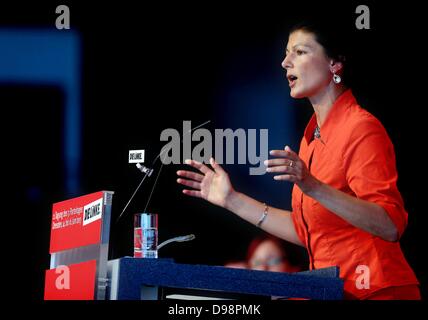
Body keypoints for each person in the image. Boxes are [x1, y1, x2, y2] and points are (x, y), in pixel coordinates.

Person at [176, 20, 420, 299]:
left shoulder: (361, 128)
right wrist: (232, 200)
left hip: (376, 291)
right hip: (332, 290)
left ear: (335, 64)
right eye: (286, 52)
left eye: (300, 52)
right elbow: (308, 231)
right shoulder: (311, 139)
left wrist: (313, 185)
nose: (285, 62)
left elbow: (389, 225)